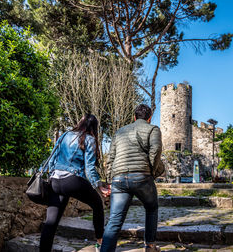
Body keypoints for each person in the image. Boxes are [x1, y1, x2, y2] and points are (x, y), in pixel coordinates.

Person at [40, 114, 110, 252]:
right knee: (97, 203)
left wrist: (51, 175)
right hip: (72, 180)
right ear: (93, 127)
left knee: (51, 222)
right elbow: (89, 168)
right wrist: (99, 186)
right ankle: (100, 244)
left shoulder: (65, 135)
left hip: (55, 180)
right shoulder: (89, 139)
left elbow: (52, 157)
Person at [101, 104, 162, 252]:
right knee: (152, 207)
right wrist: (151, 173)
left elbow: (111, 158)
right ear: (149, 118)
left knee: (115, 220)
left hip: (119, 178)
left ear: (134, 117)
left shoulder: (119, 131)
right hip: (141, 176)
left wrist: (110, 180)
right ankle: (150, 246)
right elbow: (156, 151)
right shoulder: (153, 129)